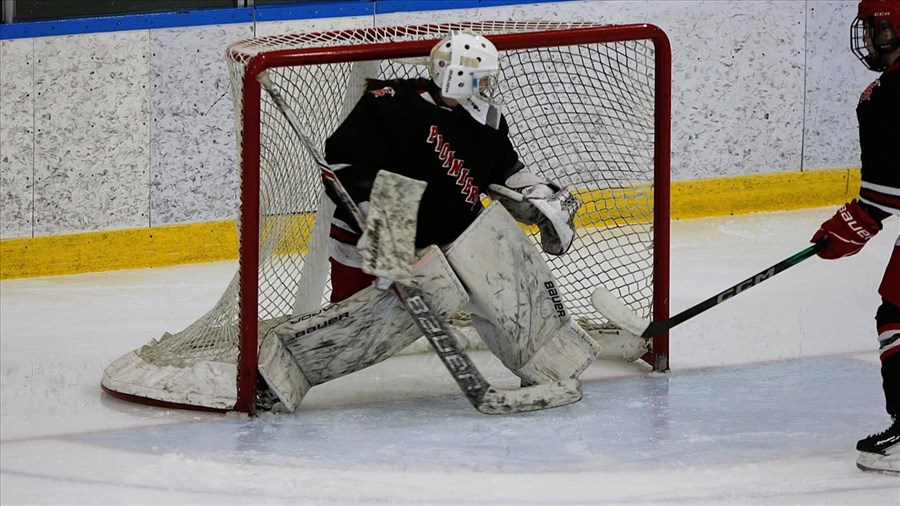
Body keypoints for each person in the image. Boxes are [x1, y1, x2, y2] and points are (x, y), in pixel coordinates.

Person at [257, 31, 612, 411]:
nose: (490, 85)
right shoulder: (390, 104)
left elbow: (504, 171)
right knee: (362, 318)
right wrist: (382, 226)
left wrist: (537, 196)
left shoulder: (487, 121)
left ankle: (548, 359)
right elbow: (346, 163)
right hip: (374, 233)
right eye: (483, 77)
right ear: (458, 76)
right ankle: (278, 373)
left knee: (505, 265)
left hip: (450, 235)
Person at [810, 0, 900, 475]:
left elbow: (886, 194)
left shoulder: (885, 96)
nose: (868, 38)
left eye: (878, 28)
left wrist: (849, 227)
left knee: (898, 315)